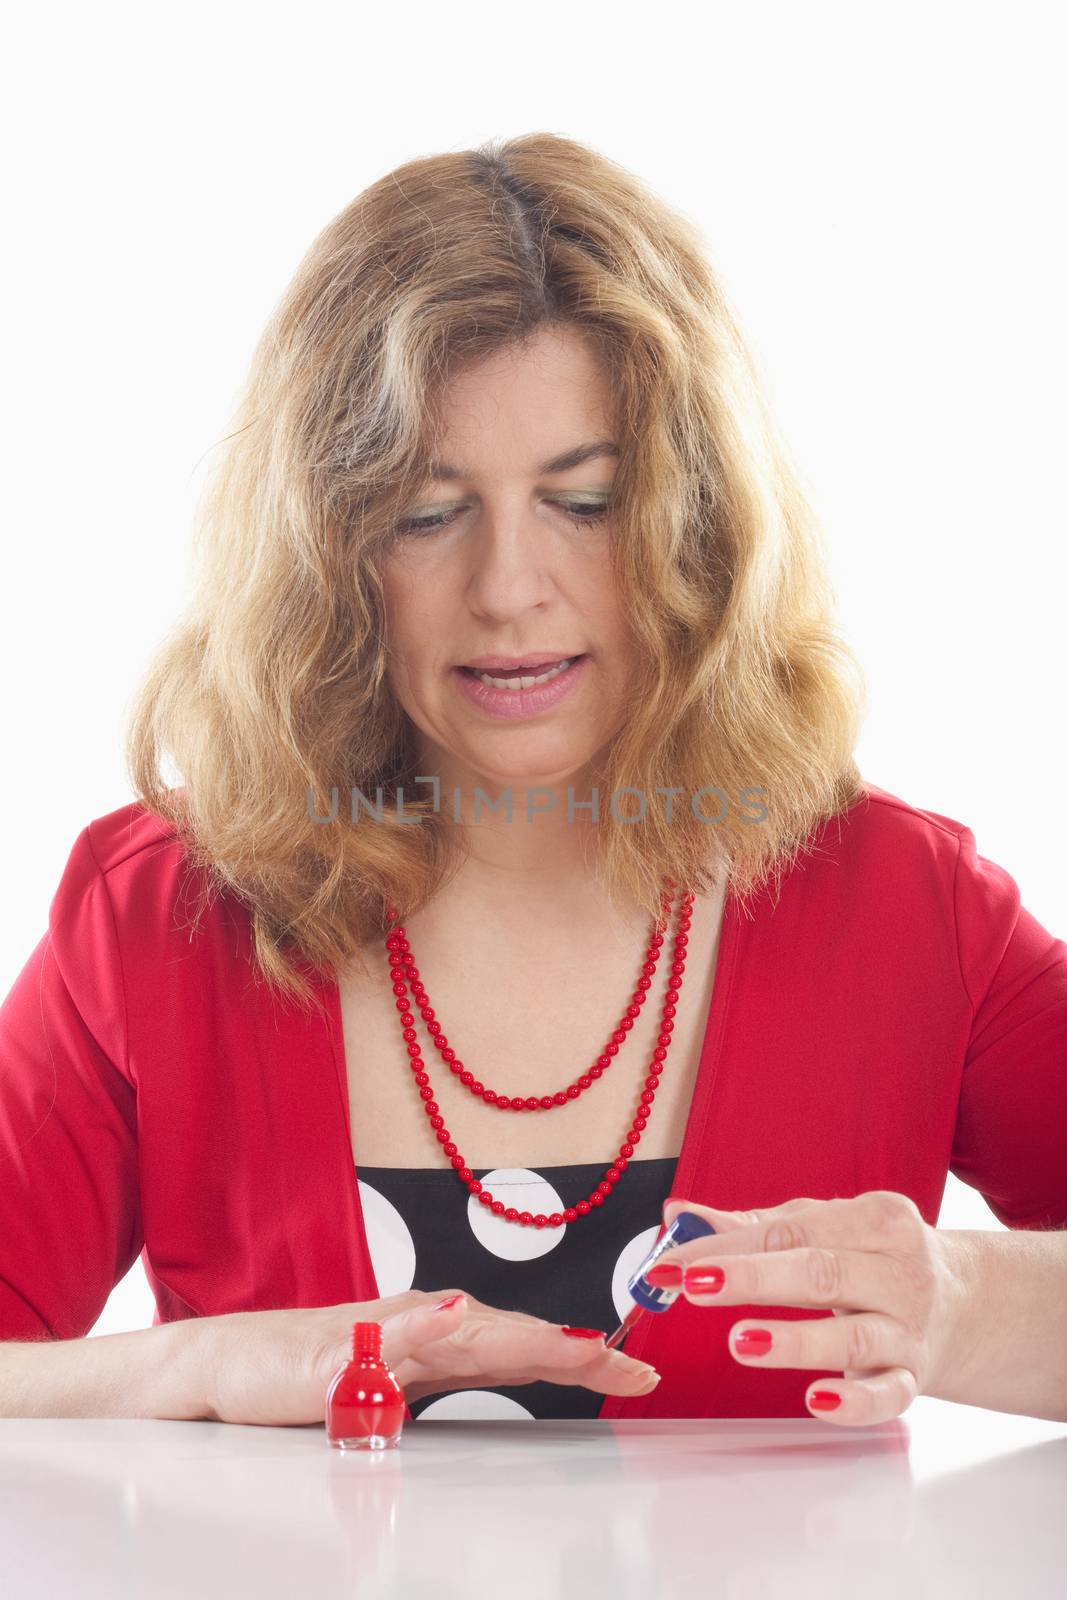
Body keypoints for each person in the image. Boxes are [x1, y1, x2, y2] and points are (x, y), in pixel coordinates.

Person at [2, 133, 1065, 1430]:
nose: (508, 591)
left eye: (589, 500)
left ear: (698, 522)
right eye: (426, 512)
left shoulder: (911, 903)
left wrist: (958, 1300)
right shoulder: (152, 912)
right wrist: (198, 1367)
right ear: (327, 553)